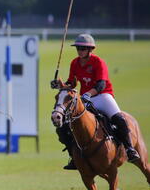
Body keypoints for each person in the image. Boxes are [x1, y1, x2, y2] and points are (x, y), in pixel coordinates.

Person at [51, 34, 140, 170]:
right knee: (66, 126)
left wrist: (88, 94)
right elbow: (71, 83)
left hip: (102, 96)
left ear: (90, 49)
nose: (80, 51)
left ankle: (129, 149)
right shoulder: (75, 63)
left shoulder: (98, 62)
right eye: (78, 48)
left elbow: (101, 85)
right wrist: (59, 85)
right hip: (85, 99)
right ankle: (73, 157)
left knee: (119, 119)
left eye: (83, 48)